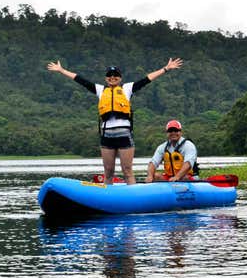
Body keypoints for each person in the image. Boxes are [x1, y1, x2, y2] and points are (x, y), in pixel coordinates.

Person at [47, 58, 183, 184]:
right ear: (106, 78)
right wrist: (61, 70)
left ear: (120, 78)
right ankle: (108, 197)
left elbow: (147, 79)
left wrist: (166, 68)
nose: (112, 77)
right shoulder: (100, 90)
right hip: (107, 136)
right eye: (110, 75)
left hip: (124, 134)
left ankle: (133, 198)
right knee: (108, 172)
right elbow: (80, 80)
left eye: (115, 75)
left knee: (127, 171)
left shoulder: (127, 88)